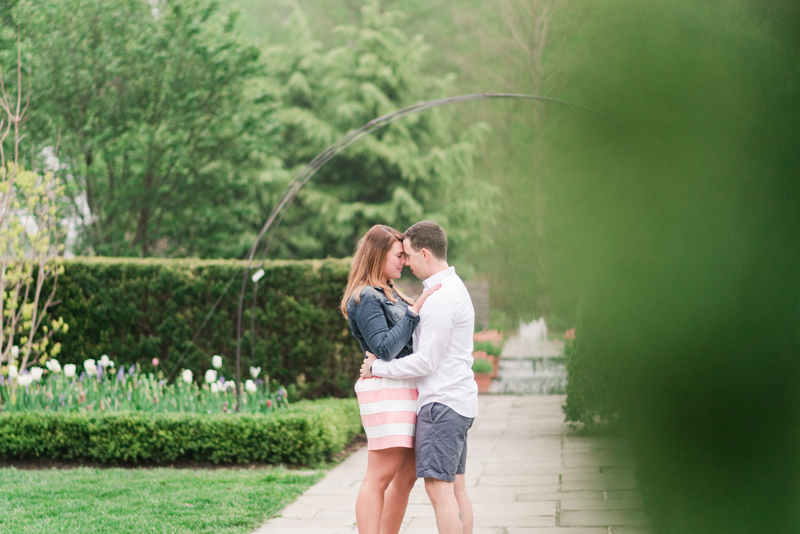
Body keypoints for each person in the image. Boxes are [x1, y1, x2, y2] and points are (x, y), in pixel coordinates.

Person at [361, 220, 478, 534]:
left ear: (425, 253)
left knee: (440, 491)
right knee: (456, 489)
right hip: (460, 401)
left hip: (442, 405)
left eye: (409, 254)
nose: (406, 262)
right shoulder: (454, 288)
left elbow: (426, 362)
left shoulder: (439, 298)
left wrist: (378, 368)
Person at [340, 224, 441, 534]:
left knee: (407, 475)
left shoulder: (389, 290)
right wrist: (417, 308)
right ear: (377, 255)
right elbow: (384, 349)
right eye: (398, 255)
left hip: (405, 388)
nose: (404, 262)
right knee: (379, 475)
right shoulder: (366, 296)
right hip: (388, 392)